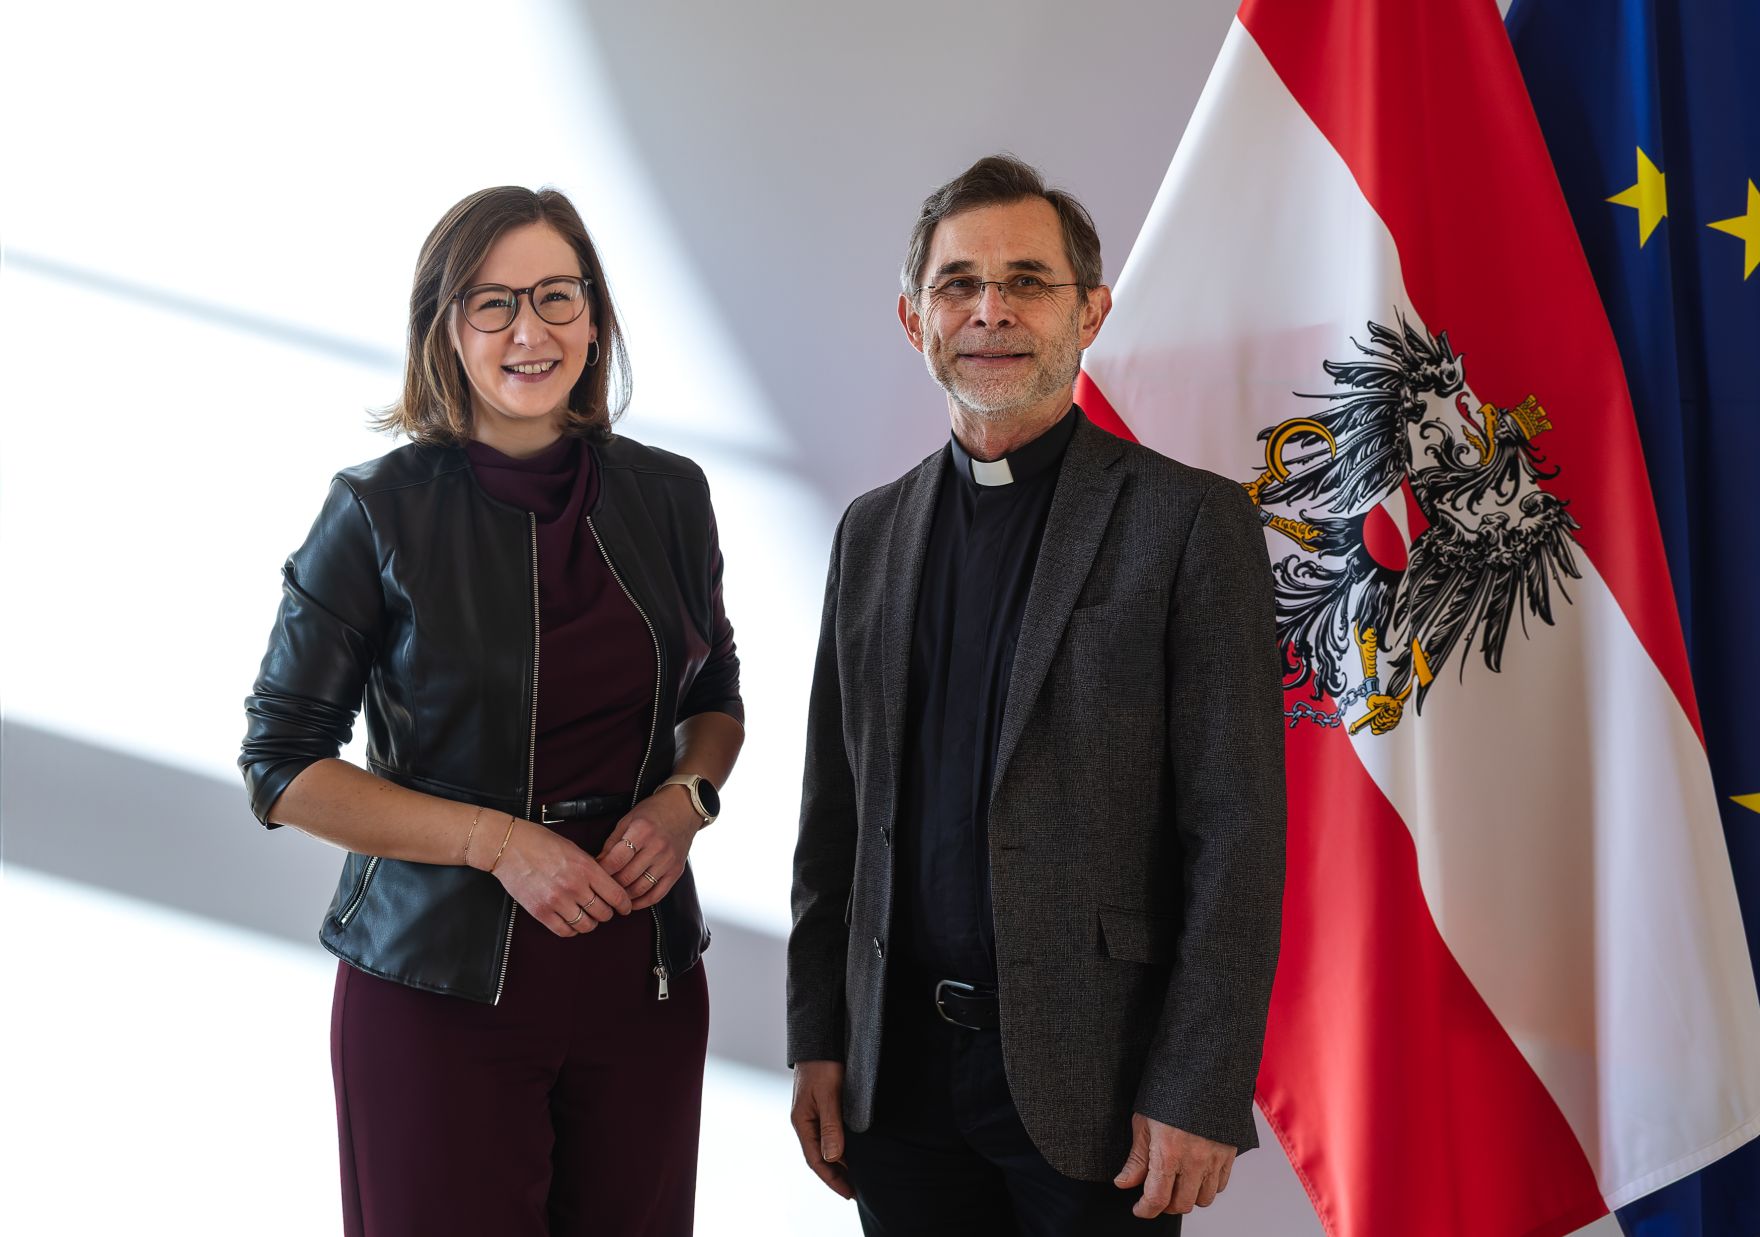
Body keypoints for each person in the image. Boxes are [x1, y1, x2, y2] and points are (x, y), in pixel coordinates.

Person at [785, 155, 1287, 1235]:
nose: (990, 310)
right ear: (913, 317)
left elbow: (1235, 833)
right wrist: (816, 1036)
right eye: (958, 284)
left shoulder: (1188, 524)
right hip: (896, 1083)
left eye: (1026, 280)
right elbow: (834, 813)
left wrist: (1198, 1086)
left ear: (1089, 310)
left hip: (1097, 1088)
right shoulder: (869, 532)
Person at [240, 185, 743, 1237]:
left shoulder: (671, 495)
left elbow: (712, 696)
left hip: (638, 975)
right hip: (441, 985)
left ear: (595, 318)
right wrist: (494, 841)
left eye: (557, 297)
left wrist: (685, 799)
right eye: (493, 303)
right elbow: (282, 765)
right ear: (445, 329)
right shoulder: (375, 509)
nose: (530, 330)